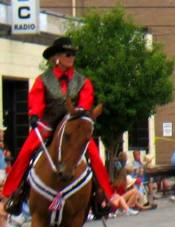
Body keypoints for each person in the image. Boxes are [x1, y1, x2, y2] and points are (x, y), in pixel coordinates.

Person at [1, 37, 125, 215]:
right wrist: (35, 115)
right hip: (48, 125)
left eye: (73, 54)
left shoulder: (83, 82)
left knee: (94, 155)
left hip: (73, 125)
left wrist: (80, 115)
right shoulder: (43, 79)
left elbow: (85, 103)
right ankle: (14, 194)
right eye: (68, 54)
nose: (71, 57)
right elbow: (36, 99)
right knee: (26, 152)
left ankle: (104, 196)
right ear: (57, 57)